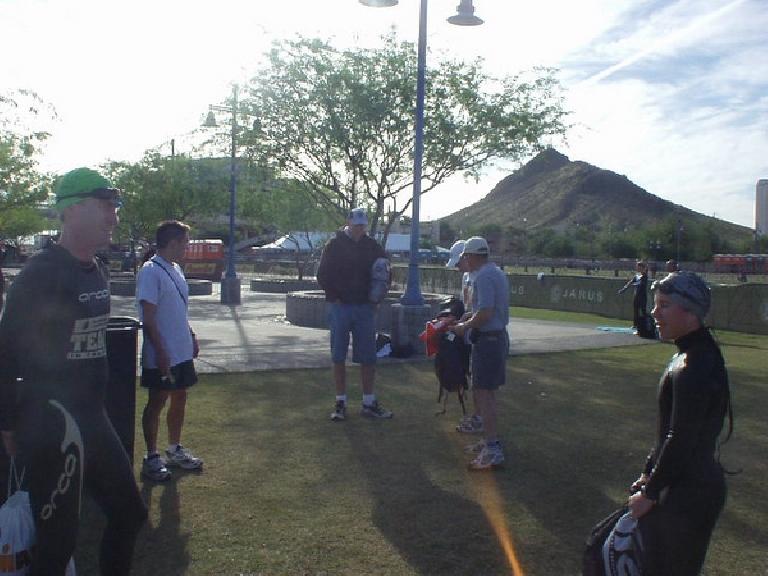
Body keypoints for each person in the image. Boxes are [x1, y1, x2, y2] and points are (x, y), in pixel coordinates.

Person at [0, 167, 147, 576]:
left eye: (114, 207)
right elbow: (5, 351)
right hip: (52, 423)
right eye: (105, 207)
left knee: (128, 513)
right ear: (73, 209)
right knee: (55, 545)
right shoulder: (41, 274)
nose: (113, 217)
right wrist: (8, 422)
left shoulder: (94, 267)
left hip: (92, 419)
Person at [623, 271, 731, 575]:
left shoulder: (693, 364)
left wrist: (651, 491)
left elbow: (681, 437)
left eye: (664, 305)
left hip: (689, 492)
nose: (654, 313)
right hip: (686, 484)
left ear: (691, 312)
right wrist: (649, 472)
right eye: (655, 304)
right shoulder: (693, 354)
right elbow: (671, 434)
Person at [137, 221, 202, 482]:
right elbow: (149, 317)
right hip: (162, 351)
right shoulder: (151, 271)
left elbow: (178, 309)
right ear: (173, 242)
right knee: (157, 401)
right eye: (185, 242)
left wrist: (191, 335)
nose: (187, 247)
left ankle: (174, 448)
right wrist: (160, 352)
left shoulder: (175, 269)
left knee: (180, 396)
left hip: (180, 349)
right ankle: (151, 456)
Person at [317, 207, 393, 421]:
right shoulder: (334, 245)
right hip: (340, 307)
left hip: (364, 308)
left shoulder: (372, 246)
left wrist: (377, 298)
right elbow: (322, 274)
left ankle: (368, 402)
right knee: (338, 355)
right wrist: (334, 295)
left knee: (368, 357)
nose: (359, 228)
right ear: (349, 223)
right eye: (356, 224)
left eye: (362, 225)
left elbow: (385, 271)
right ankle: (340, 402)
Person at [451, 237, 510, 470]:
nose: (464, 260)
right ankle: (488, 441)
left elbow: (485, 312)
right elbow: (481, 310)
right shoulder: (492, 272)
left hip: (489, 339)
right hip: (491, 338)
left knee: (485, 394)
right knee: (484, 392)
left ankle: (493, 447)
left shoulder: (484, 276)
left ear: (474, 256)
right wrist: (466, 318)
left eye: (466, 256)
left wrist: (464, 327)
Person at [447, 240, 483, 435]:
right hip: (469, 333)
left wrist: (465, 324)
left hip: (478, 334)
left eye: (460, 262)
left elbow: (482, 311)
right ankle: (477, 416)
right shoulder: (467, 277)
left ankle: (480, 418)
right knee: (474, 377)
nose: (458, 267)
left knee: (481, 382)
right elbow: (468, 307)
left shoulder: (480, 277)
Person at [618, 260, 650, 336]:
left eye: (639, 267)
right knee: (635, 310)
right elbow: (631, 282)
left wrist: (634, 284)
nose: (638, 269)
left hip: (642, 296)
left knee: (642, 311)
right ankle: (635, 325)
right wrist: (624, 289)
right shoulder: (637, 275)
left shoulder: (644, 276)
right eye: (637, 267)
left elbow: (641, 284)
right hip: (636, 295)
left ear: (643, 268)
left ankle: (645, 325)